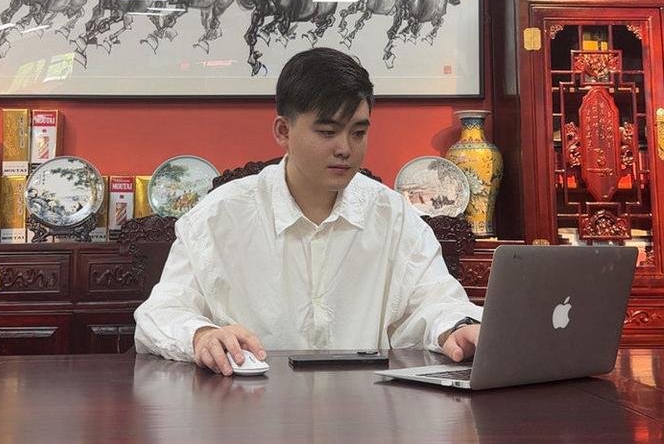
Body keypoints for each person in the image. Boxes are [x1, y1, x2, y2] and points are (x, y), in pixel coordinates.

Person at [134, 47, 482, 375]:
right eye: (328, 132)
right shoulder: (218, 217)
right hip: (248, 405)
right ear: (283, 131)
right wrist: (201, 335)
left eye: (358, 133)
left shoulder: (393, 216)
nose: (345, 149)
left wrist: (458, 327)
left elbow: (435, 302)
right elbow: (161, 313)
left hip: (364, 403)